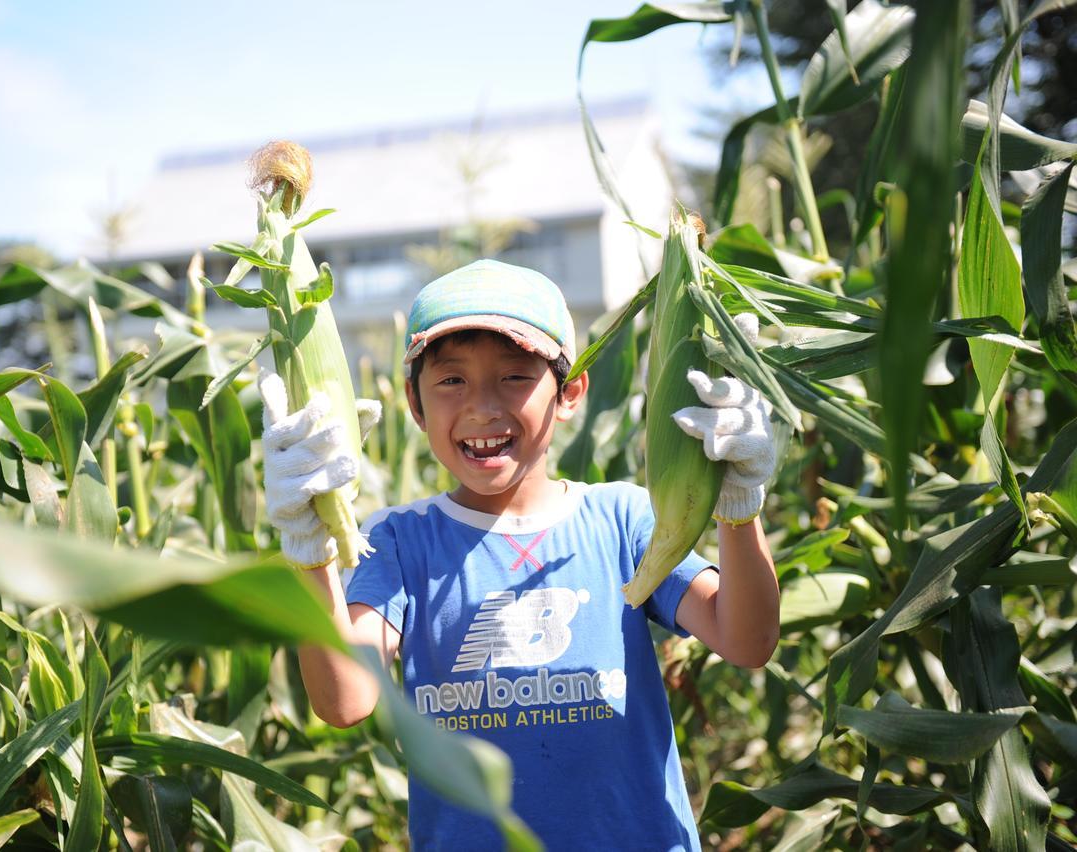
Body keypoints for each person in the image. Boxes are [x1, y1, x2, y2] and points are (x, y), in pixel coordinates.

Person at [258, 258, 780, 850]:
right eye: (451, 380)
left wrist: (739, 507)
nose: (482, 407)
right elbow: (345, 700)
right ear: (414, 402)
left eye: (514, 377)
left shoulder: (623, 520)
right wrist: (312, 552)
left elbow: (747, 639)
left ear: (570, 391)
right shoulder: (399, 543)